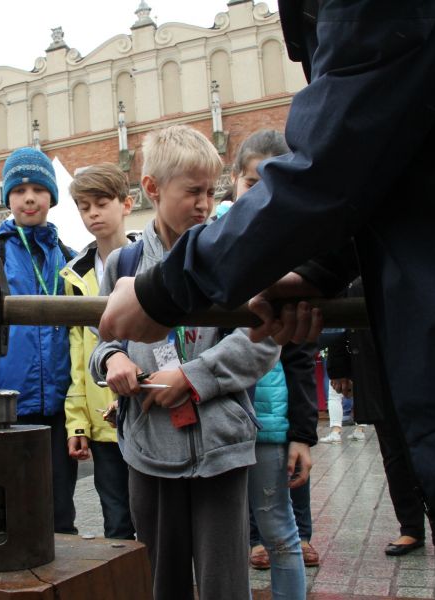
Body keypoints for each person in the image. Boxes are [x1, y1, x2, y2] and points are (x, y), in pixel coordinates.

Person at [98, 3, 435, 597]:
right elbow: (389, 162)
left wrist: (166, 291)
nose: (203, 202)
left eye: (211, 190)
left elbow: (332, 165)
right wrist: (318, 268)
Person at [91, 125, 280, 600]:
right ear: (152, 188)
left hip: (221, 446)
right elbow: (100, 340)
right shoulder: (123, 264)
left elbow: (263, 339)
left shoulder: (234, 254)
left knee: (225, 584)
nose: (205, 203)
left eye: (211, 191)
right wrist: (112, 360)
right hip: (149, 446)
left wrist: (195, 377)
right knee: (161, 581)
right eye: (192, 190)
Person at [0, 147, 78, 534]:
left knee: (61, 512)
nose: (29, 197)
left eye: (38, 189)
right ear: (8, 198)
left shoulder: (69, 258)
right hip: (8, 410)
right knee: (13, 510)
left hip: (61, 409)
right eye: (20, 189)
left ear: (52, 197)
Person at [227, 130, 316, 598]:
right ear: (233, 183)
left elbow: (301, 355)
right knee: (225, 539)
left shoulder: (295, 253)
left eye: (269, 181)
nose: (258, 192)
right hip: (216, 417)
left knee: (279, 533)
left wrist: (303, 434)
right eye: (249, 181)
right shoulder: (209, 244)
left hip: (269, 425)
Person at [328, 277, 435, 563]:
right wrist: (338, 365)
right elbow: (338, 311)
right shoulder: (349, 256)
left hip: (421, 361)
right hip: (372, 364)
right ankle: (411, 528)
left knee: (433, 447)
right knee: (393, 454)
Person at [60, 162, 135, 540]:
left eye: (102, 202)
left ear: (126, 204)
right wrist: (77, 421)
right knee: (117, 523)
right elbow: (76, 355)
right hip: (103, 424)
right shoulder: (73, 275)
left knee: (157, 519)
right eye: (84, 205)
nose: (92, 213)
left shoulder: (149, 260)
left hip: (146, 412)